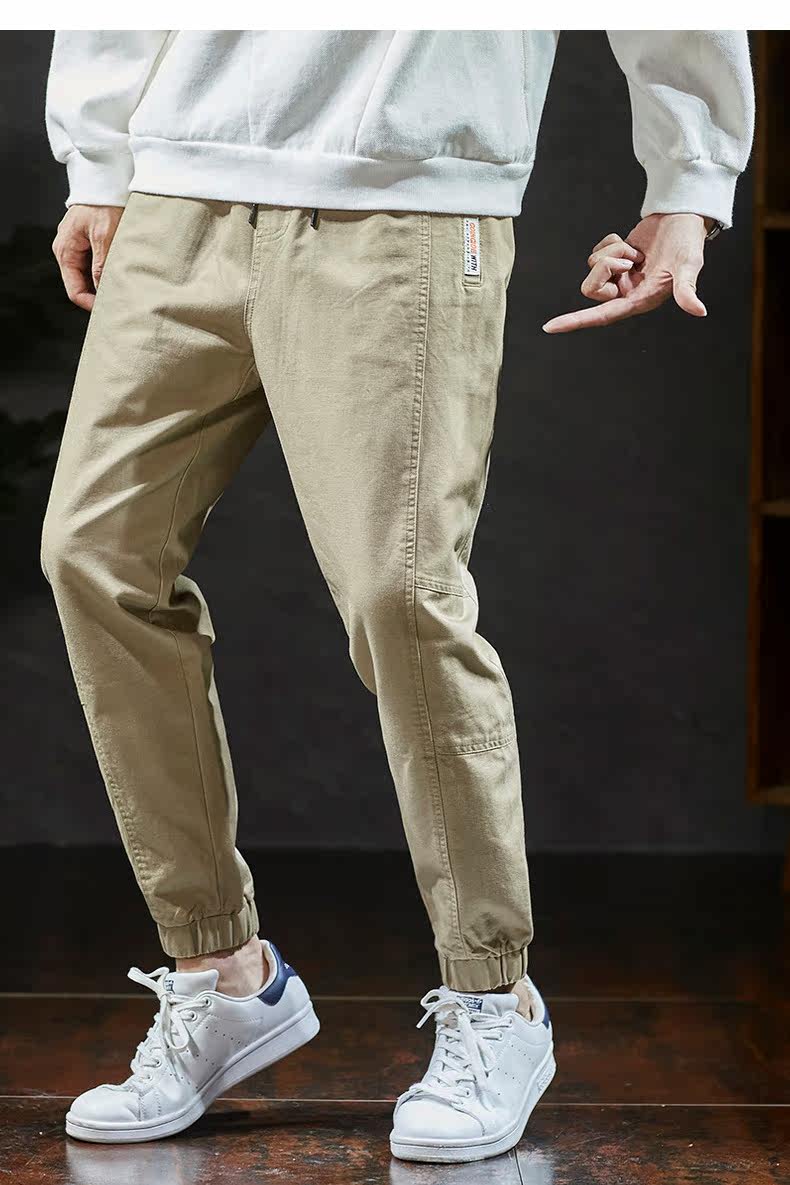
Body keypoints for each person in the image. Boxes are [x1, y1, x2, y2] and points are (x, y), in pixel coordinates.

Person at [43, 30, 753, 1162]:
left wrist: (690, 181)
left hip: (407, 189)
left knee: (400, 592)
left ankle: (494, 997)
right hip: (180, 187)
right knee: (95, 555)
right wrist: (97, 157)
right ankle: (222, 972)